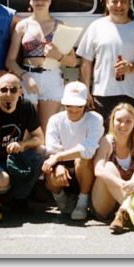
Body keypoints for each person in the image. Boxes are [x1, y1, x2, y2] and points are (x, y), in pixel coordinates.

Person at [76, 0, 134, 130]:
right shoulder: (96, 26)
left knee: (130, 140)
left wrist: (132, 67)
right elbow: (86, 61)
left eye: (123, 1)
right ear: (106, 2)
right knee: (103, 140)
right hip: (102, 95)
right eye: (114, 1)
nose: (119, 5)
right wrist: (85, 90)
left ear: (129, 3)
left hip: (131, 94)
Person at [5, 0, 77, 134]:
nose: (40, 1)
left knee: (47, 130)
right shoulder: (23, 26)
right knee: (25, 130)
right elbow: (10, 60)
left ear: (50, 1)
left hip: (52, 78)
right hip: (28, 77)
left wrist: (58, 55)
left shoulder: (60, 25)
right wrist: (25, 77)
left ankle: (44, 158)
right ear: (30, 1)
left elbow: (72, 61)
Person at [0, 73, 46, 217]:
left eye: (13, 90)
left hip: (14, 158)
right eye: (4, 90)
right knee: (2, 180)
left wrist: (23, 144)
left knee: (41, 152)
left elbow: (40, 138)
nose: (8, 94)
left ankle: (19, 197)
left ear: (20, 91)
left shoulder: (26, 107)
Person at [42, 82, 105, 221]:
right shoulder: (55, 119)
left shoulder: (95, 119)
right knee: (48, 171)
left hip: (85, 168)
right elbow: (52, 149)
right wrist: (58, 165)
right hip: (63, 166)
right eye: (69, 105)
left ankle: (82, 202)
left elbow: (87, 151)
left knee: (82, 158)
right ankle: (63, 202)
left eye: (79, 105)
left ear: (86, 104)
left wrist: (58, 158)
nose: (74, 109)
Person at [90, 103, 134, 234]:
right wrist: (122, 184)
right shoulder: (107, 141)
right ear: (112, 121)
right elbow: (98, 170)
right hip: (105, 204)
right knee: (108, 166)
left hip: (129, 195)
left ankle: (122, 212)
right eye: (119, 120)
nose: (123, 125)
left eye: (128, 121)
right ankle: (131, 210)